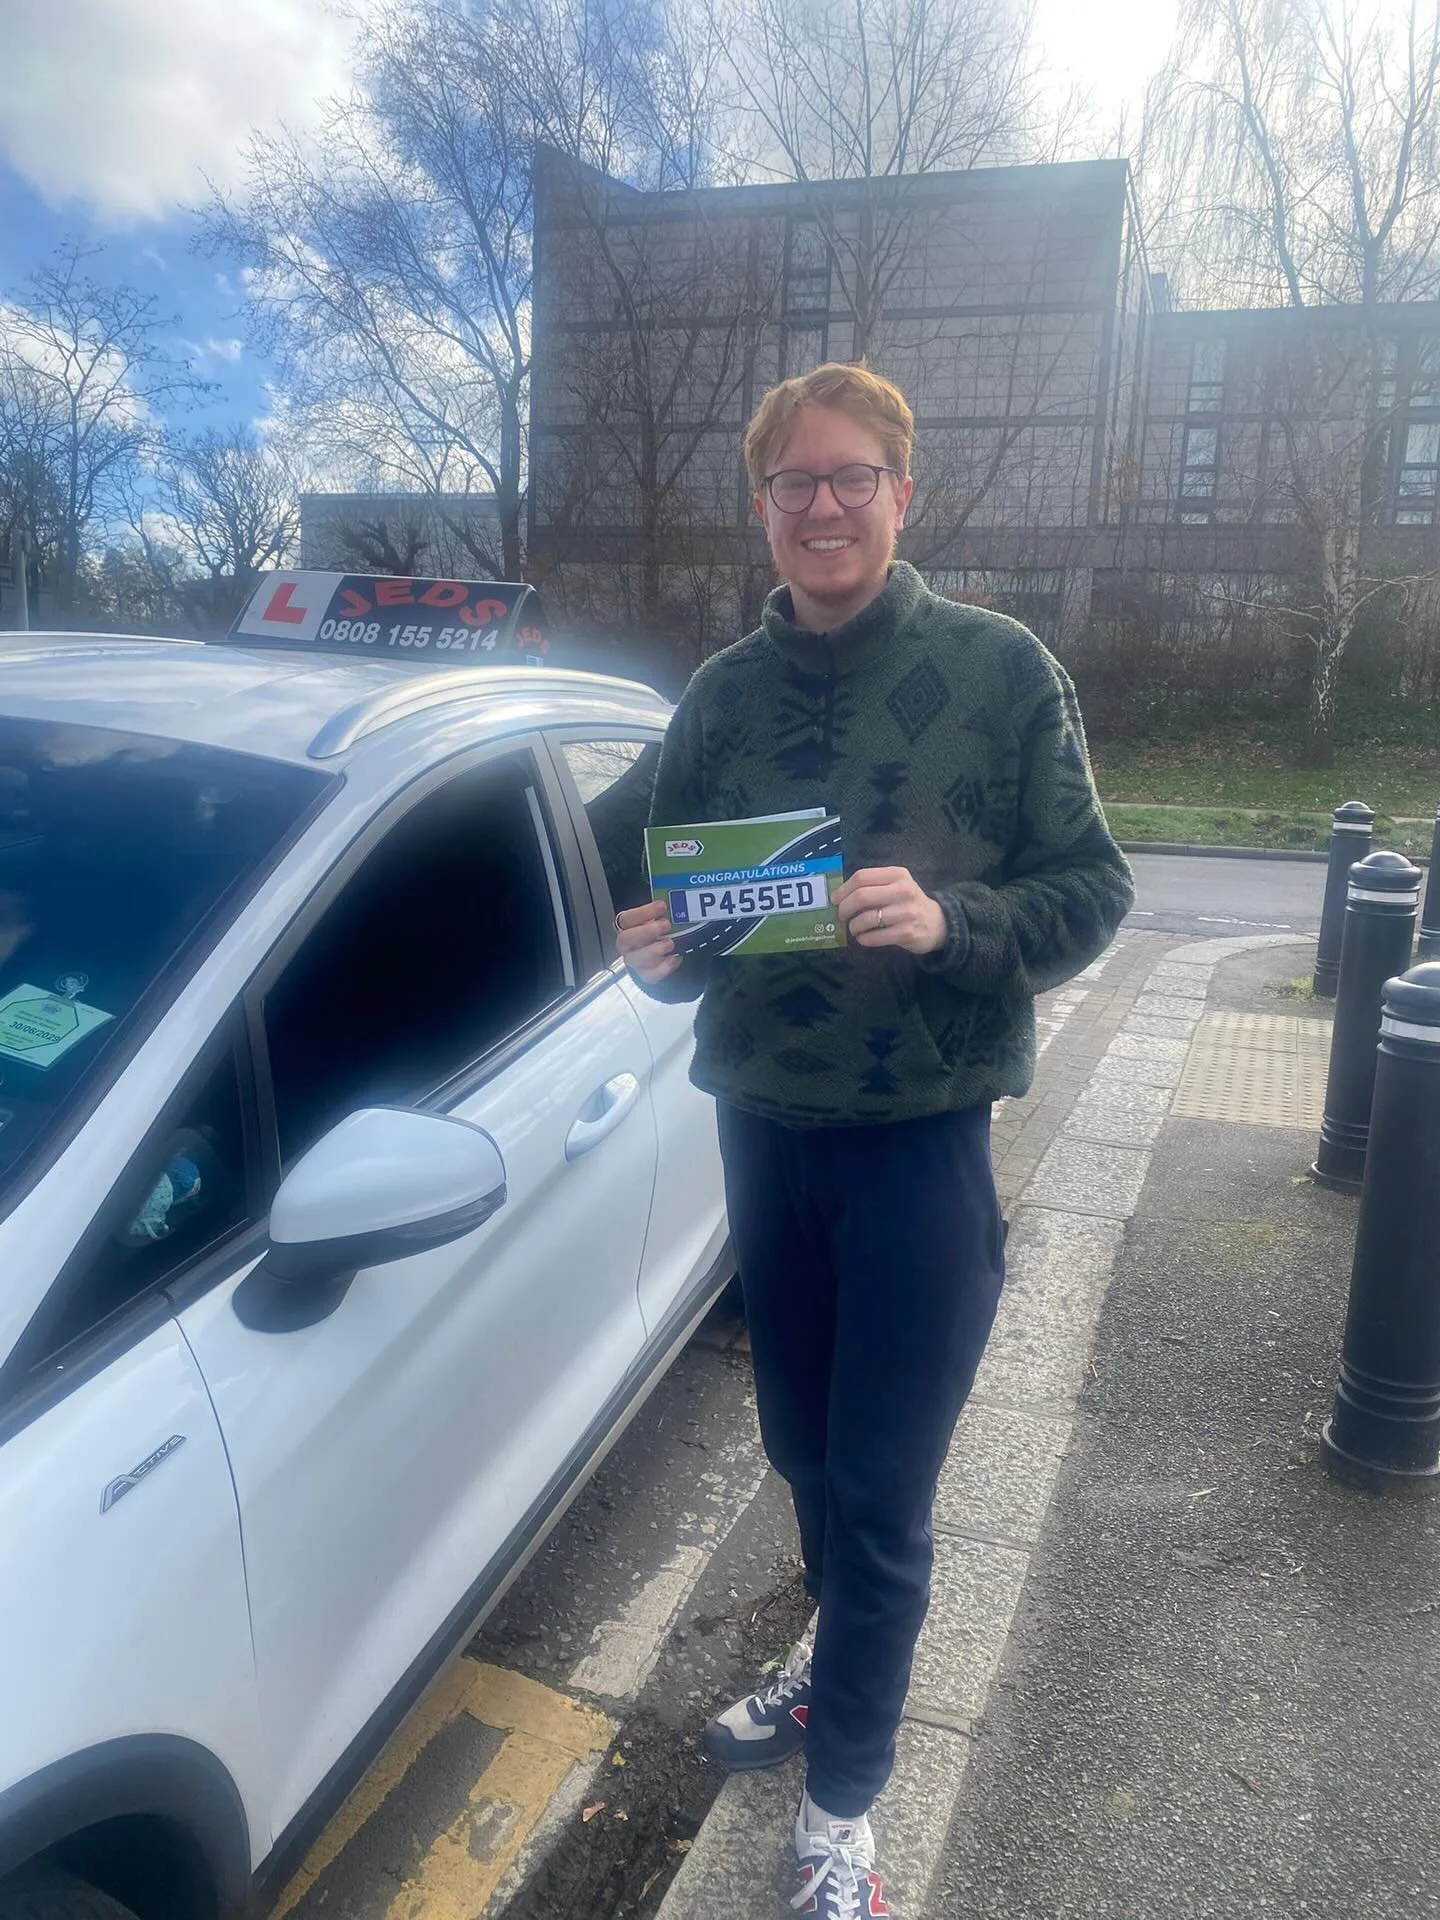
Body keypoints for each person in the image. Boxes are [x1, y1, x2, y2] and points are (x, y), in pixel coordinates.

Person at [617, 362, 1133, 1918]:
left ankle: (843, 1806)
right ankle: (833, 1666)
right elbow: (703, 909)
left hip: (917, 1145)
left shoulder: (1001, 666)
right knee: (800, 1452)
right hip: (766, 1137)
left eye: (851, 480)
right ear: (763, 511)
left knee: (884, 1492)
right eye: (795, 486)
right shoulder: (720, 696)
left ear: (904, 495)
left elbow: (1093, 888)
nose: (823, 508)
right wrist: (663, 949)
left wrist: (958, 918)